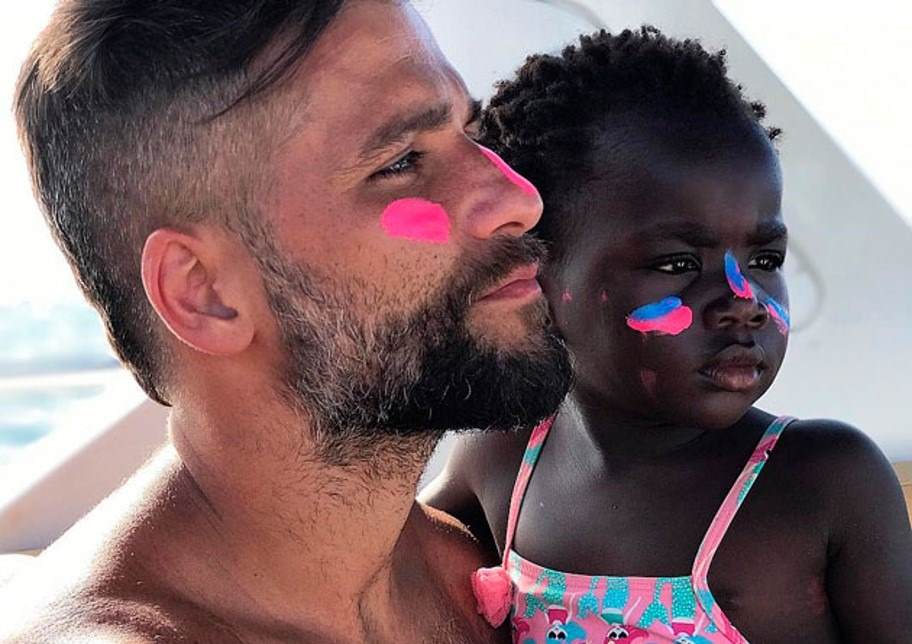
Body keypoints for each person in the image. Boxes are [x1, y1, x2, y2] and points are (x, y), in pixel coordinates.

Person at [0, 1, 574, 642]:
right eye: (400, 162)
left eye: (471, 132)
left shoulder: (468, 569)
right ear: (205, 293)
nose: (519, 198)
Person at [423, 28, 912, 643]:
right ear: (534, 275)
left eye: (765, 259)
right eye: (679, 264)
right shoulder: (506, 459)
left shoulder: (822, 482)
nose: (743, 302)